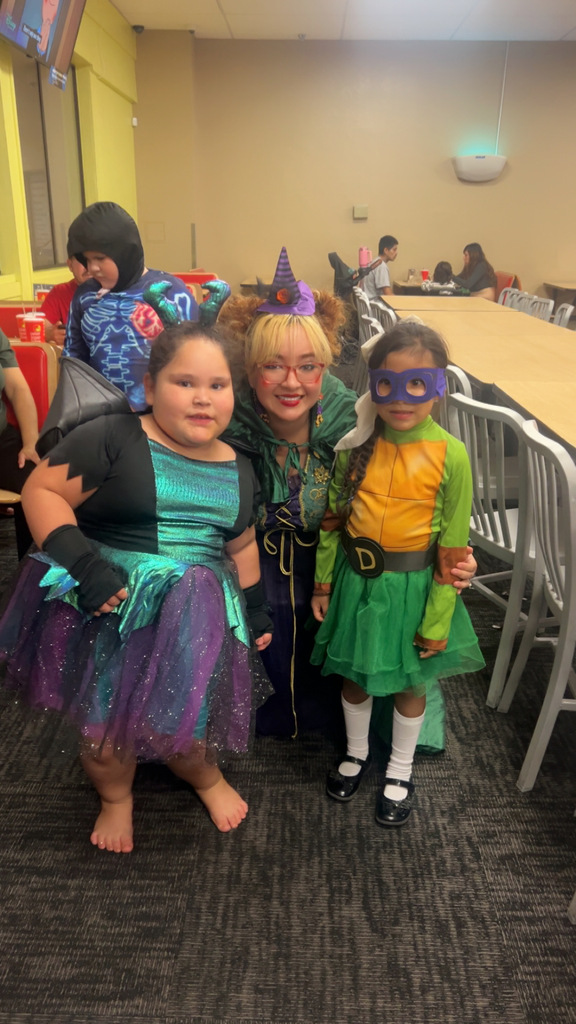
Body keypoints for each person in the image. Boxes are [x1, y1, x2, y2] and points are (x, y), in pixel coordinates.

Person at [0, 322, 272, 852]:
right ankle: (116, 798)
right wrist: (83, 565)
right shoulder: (114, 437)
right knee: (103, 729)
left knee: (189, 719)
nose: (202, 398)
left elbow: (241, 546)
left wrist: (256, 610)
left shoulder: (240, 467)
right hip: (113, 608)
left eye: (218, 385)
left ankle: (205, 777)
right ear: (149, 388)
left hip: (194, 616)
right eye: (184, 382)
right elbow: (42, 492)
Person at [219, 248, 477, 740]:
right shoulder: (226, 423)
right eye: (272, 366)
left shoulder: (358, 423)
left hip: (346, 576)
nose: (292, 382)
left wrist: (451, 558)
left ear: (327, 367)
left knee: (359, 687)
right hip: (256, 572)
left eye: (308, 366)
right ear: (250, 369)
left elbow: (420, 488)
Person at [311, 322, 485, 827]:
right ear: (374, 385)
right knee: (355, 676)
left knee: (411, 684)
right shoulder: (357, 444)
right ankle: (358, 752)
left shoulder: (451, 454)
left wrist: (438, 618)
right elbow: (333, 522)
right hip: (355, 584)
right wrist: (324, 582)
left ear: (438, 387)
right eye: (388, 384)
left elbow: (452, 549)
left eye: (418, 385)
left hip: (414, 591)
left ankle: (400, 767)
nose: (401, 399)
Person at [64, 201, 198, 411]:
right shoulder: (84, 296)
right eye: (87, 260)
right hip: (101, 415)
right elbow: (73, 359)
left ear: (125, 252)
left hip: (161, 415)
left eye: (100, 258)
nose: (92, 268)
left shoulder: (171, 292)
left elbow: (195, 363)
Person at [0, 327, 39, 557]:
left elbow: (17, 389)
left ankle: (31, 574)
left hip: (2, 438)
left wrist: (30, 443)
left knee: (37, 483)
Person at [40, 249, 91, 346]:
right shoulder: (59, 292)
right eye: (82, 260)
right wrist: (50, 334)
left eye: (95, 260)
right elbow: (41, 327)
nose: (88, 267)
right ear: (70, 265)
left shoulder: (117, 291)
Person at [359, 235, 399, 301]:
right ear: (386, 250)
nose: (396, 253)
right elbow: (388, 294)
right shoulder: (381, 266)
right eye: (394, 250)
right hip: (376, 308)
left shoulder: (373, 262)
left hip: (369, 305)